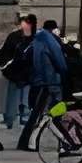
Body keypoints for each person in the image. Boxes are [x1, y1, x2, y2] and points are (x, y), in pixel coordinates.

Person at [17, 17, 68, 149]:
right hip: (51, 81)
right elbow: (60, 62)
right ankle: (63, 141)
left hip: (39, 82)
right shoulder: (50, 40)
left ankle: (61, 141)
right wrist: (64, 72)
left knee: (44, 114)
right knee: (55, 114)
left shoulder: (35, 41)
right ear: (53, 29)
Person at [0, 15, 35, 133]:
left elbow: (4, 52)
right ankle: (24, 118)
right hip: (28, 73)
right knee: (26, 97)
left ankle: (10, 119)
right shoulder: (35, 37)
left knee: (13, 97)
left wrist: (2, 64)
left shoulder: (14, 36)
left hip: (15, 73)